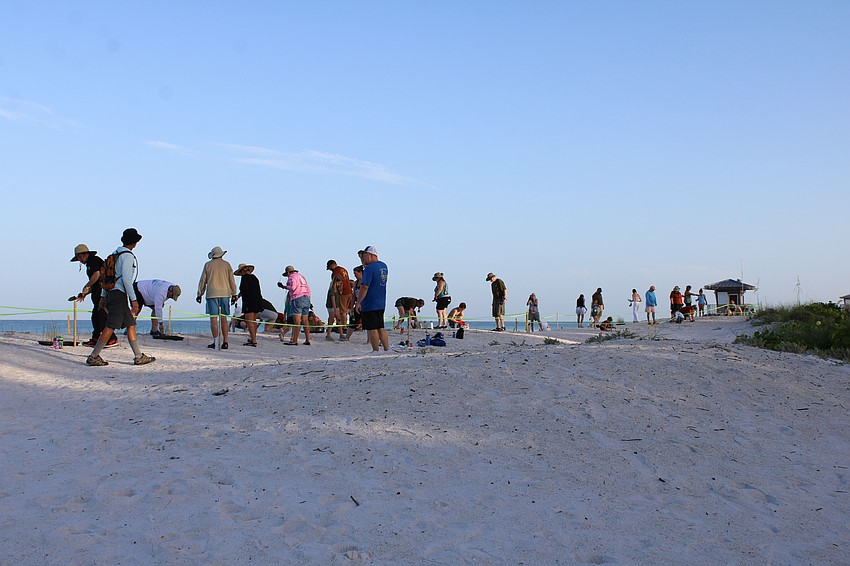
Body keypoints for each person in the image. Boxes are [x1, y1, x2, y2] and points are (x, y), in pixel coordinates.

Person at [85, 228, 155, 366]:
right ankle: (93, 356)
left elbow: (107, 277)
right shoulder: (127, 256)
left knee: (130, 324)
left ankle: (138, 355)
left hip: (112, 293)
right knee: (110, 326)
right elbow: (127, 280)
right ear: (135, 242)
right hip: (119, 294)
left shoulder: (114, 255)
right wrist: (134, 300)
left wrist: (104, 296)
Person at [70, 244, 115, 347]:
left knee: (102, 315)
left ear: (86, 254)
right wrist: (85, 293)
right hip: (97, 292)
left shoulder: (94, 260)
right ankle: (96, 338)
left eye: (80, 257)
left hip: (103, 293)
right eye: (77, 258)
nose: (79, 260)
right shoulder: (89, 264)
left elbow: (97, 274)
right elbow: (94, 283)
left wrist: (86, 286)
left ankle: (111, 338)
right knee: (95, 316)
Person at [197, 246, 238, 350]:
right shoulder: (227, 265)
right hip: (225, 293)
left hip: (212, 293)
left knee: (213, 319)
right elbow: (231, 280)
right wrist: (234, 294)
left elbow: (203, 281)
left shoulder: (208, 265)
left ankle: (216, 341)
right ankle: (225, 341)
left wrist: (199, 294)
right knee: (224, 318)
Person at [354, 246, 389, 352]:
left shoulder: (369, 268)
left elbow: (365, 287)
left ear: (371, 255)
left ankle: (376, 350)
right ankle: (386, 349)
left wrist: (358, 302)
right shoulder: (384, 266)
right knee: (380, 327)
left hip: (370, 303)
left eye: (364, 256)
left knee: (372, 328)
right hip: (381, 302)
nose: (363, 258)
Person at [233, 263, 263, 347]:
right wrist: (238, 296)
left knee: (250, 322)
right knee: (253, 322)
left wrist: (237, 296)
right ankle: (253, 338)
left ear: (242, 271)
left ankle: (253, 341)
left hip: (249, 302)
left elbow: (244, 290)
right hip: (258, 301)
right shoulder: (254, 278)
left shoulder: (244, 278)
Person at [281, 265, 312, 346]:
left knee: (296, 321)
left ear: (288, 273)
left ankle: (294, 340)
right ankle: (307, 339)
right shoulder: (302, 276)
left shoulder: (291, 277)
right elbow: (308, 288)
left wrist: (284, 287)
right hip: (306, 297)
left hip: (297, 298)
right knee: (305, 320)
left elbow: (293, 287)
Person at [326, 260, 353, 341]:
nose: (330, 269)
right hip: (346, 293)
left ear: (332, 265)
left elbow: (334, 300)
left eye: (330, 267)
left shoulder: (336, 272)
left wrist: (336, 309)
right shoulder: (343, 269)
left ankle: (342, 330)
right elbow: (332, 299)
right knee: (334, 318)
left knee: (342, 313)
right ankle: (330, 334)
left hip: (343, 295)